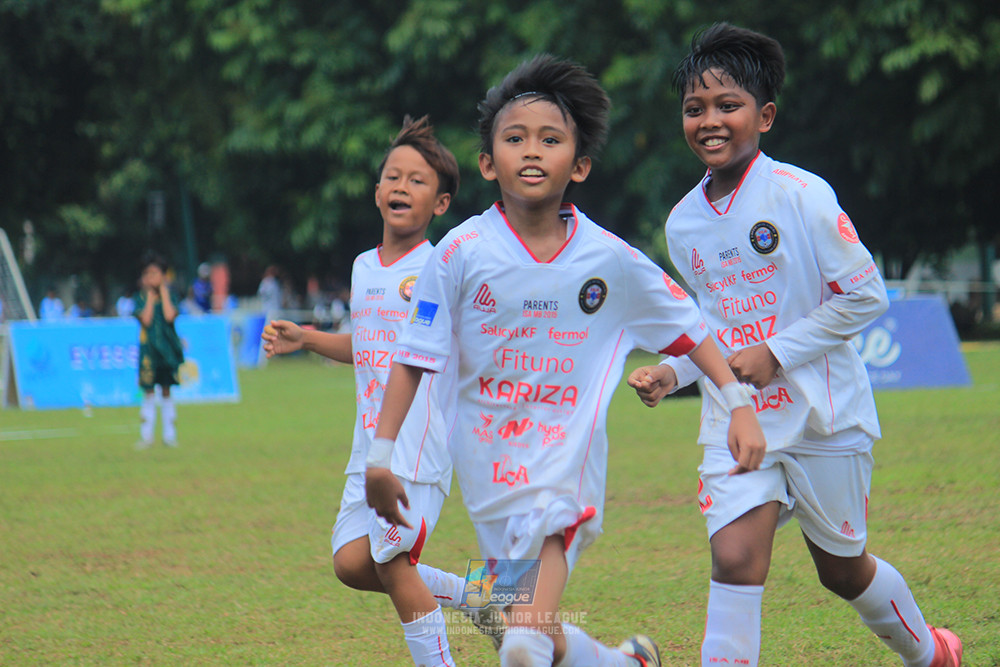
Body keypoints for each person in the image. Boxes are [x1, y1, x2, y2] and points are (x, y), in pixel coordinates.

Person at [366, 55, 766, 667]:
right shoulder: (458, 255)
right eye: (515, 138)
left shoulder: (609, 259)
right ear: (486, 161)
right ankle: (621, 662)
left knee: (520, 644)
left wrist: (738, 405)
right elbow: (413, 359)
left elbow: (690, 330)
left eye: (550, 140)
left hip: (564, 469)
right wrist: (380, 455)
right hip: (488, 475)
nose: (532, 151)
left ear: (577, 166)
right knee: (539, 634)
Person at [628, 23, 962, 667]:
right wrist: (674, 372)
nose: (710, 120)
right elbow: (710, 327)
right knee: (734, 559)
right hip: (737, 421)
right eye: (695, 109)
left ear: (766, 115)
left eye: (729, 105)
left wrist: (778, 352)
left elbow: (865, 295)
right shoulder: (682, 222)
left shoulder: (802, 195)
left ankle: (930, 655)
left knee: (841, 572)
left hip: (824, 419)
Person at [261, 115, 504, 665]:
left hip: (415, 447)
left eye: (417, 181)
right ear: (376, 192)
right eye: (393, 176)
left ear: (440, 204)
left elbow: (447, 349)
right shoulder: (364, 267)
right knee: (351, 563)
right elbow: (372, 345)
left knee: (394, 566)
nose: (401, 186)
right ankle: (479, 596)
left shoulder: (441, 267)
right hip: (369, 445)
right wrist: (309, 338)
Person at [135, 251, 184, 449]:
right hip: (149, 353)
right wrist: (149, 296)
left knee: (166, 391)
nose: (151, 278)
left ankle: (169, 435)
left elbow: (170, 316)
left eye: (155, 274)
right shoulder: (140, 298)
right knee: (148, 392)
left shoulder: (171, 296)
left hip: (167, 352)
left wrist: (163, 292)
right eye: (148, 274)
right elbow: (145, 319)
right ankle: (146, 436)